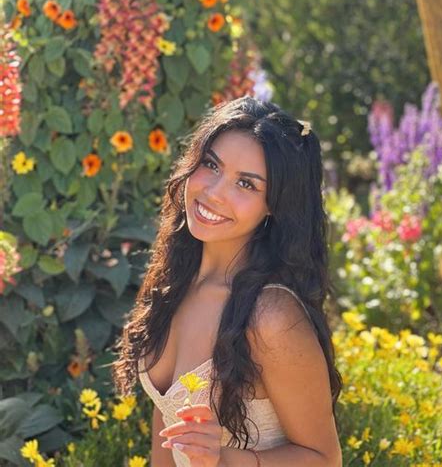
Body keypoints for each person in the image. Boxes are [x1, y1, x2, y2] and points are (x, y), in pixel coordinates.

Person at [112, 96, 343, 467]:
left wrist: (224, 459)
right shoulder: (176, 281)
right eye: (211, 164)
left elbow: (325, 459)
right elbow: (168, 424)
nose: (214, 192)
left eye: (246, 184)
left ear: (274, 205)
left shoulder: (270, 317)